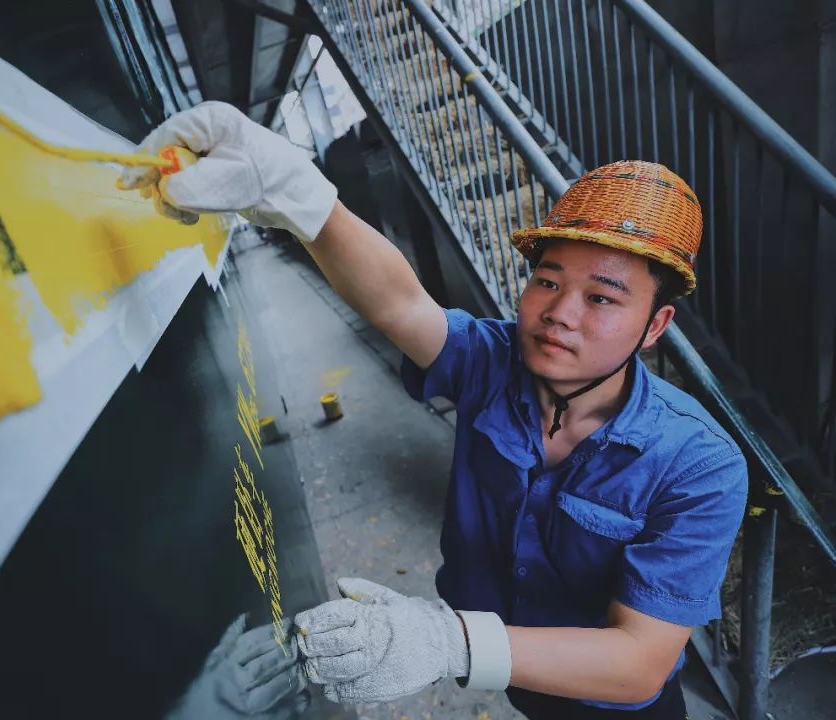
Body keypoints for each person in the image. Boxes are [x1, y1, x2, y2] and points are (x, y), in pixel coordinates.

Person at [119, 101, 747, 719]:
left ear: (655, 324)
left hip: (608, 703)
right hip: (512, 675)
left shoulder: (696, 466)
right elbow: (401, 304)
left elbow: (637, 661)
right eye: (548, 281)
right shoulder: (493, 361)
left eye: (603, 298)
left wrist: (449, 642)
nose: (560, 312)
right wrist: (301, 194)